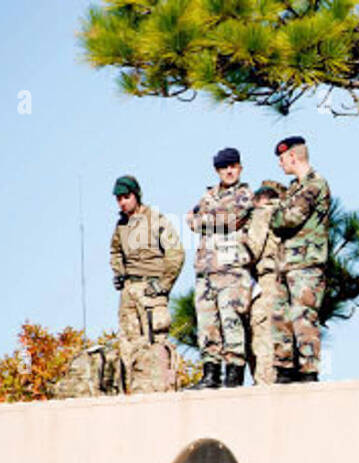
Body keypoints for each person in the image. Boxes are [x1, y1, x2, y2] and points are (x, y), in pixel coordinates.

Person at [109, 175, 184, 394]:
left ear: (136, 195)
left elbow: (175, 253)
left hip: (151, 292)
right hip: (129, 292)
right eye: (119, 199)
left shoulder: (156, 219)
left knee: (155, 346)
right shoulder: (121, 225)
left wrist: (164, 284)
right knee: (128, 346)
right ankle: (134, 393)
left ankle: (161, 393)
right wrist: (120, 273)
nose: (122, 202)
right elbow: (115, 251)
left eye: (126, 197)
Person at [186, 147, 254, 389]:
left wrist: (206, 220)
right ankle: (210, 374)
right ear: (217, 170)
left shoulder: (244, 194)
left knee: (231, 322)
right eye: (224, 167)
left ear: (240, 167)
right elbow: (190, 220)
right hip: (206, 270)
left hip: (231, 269)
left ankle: (234, 376)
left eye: (233, 166)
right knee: (207, 324)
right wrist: (211, 219)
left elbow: (233, 220)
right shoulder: (208, 196)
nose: (229, 171)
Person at [270, 136, 331, 383]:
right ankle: (284, 367)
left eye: (282, 159)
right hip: (286, 263)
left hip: (307, 262)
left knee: (303, 317)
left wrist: (275, 214)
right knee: (280, 317)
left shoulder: (314, 184)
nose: (280, 164)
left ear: (293, 157)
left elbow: (289, 218)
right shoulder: (294, 188)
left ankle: (308, 370)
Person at [243, 181, 287, 385]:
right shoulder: (287, 216)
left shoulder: (263, 214)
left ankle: (264, 384)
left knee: (262, 336)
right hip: (286, 281)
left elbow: (252, 249)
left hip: (267, 281)